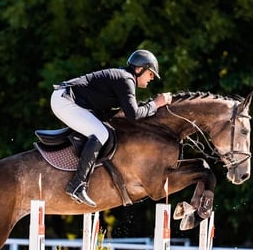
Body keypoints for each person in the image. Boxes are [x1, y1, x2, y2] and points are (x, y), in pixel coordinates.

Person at [50, 49, 172, 207]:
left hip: (68, 100)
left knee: (104, 130)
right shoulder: (126, 79)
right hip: (65, 100)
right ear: (139, 69)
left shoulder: (124, 78)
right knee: (100, 133)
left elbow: (126, 112)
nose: (152, 78)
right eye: (151, 73)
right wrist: (156, 103)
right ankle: (77, 185)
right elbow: (134, 115)